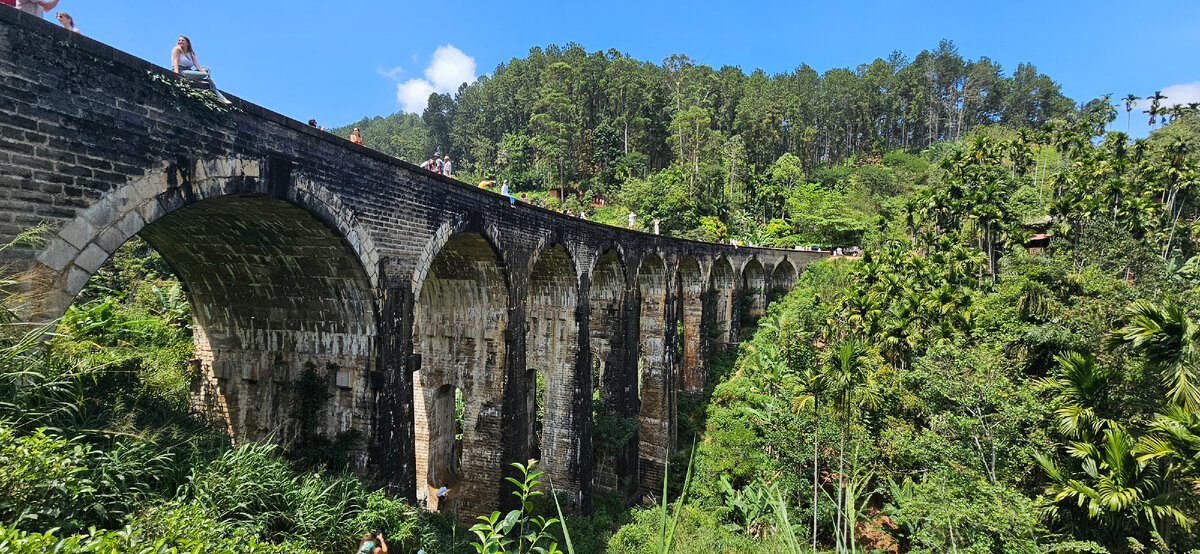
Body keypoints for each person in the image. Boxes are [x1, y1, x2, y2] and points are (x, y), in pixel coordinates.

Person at [171, 36, 231, 104]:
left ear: (187, 43)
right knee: (205, 75)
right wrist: (176, 74)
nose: (180, 41)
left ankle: (206, 78)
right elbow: (175, 62)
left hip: (189, 71)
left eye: (182, 40)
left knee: (206, 68)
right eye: (179, 40)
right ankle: (218, 94)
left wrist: (206, 75)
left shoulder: (190, 53)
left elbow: (197, 65)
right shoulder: (176, 49)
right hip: (181, 71)